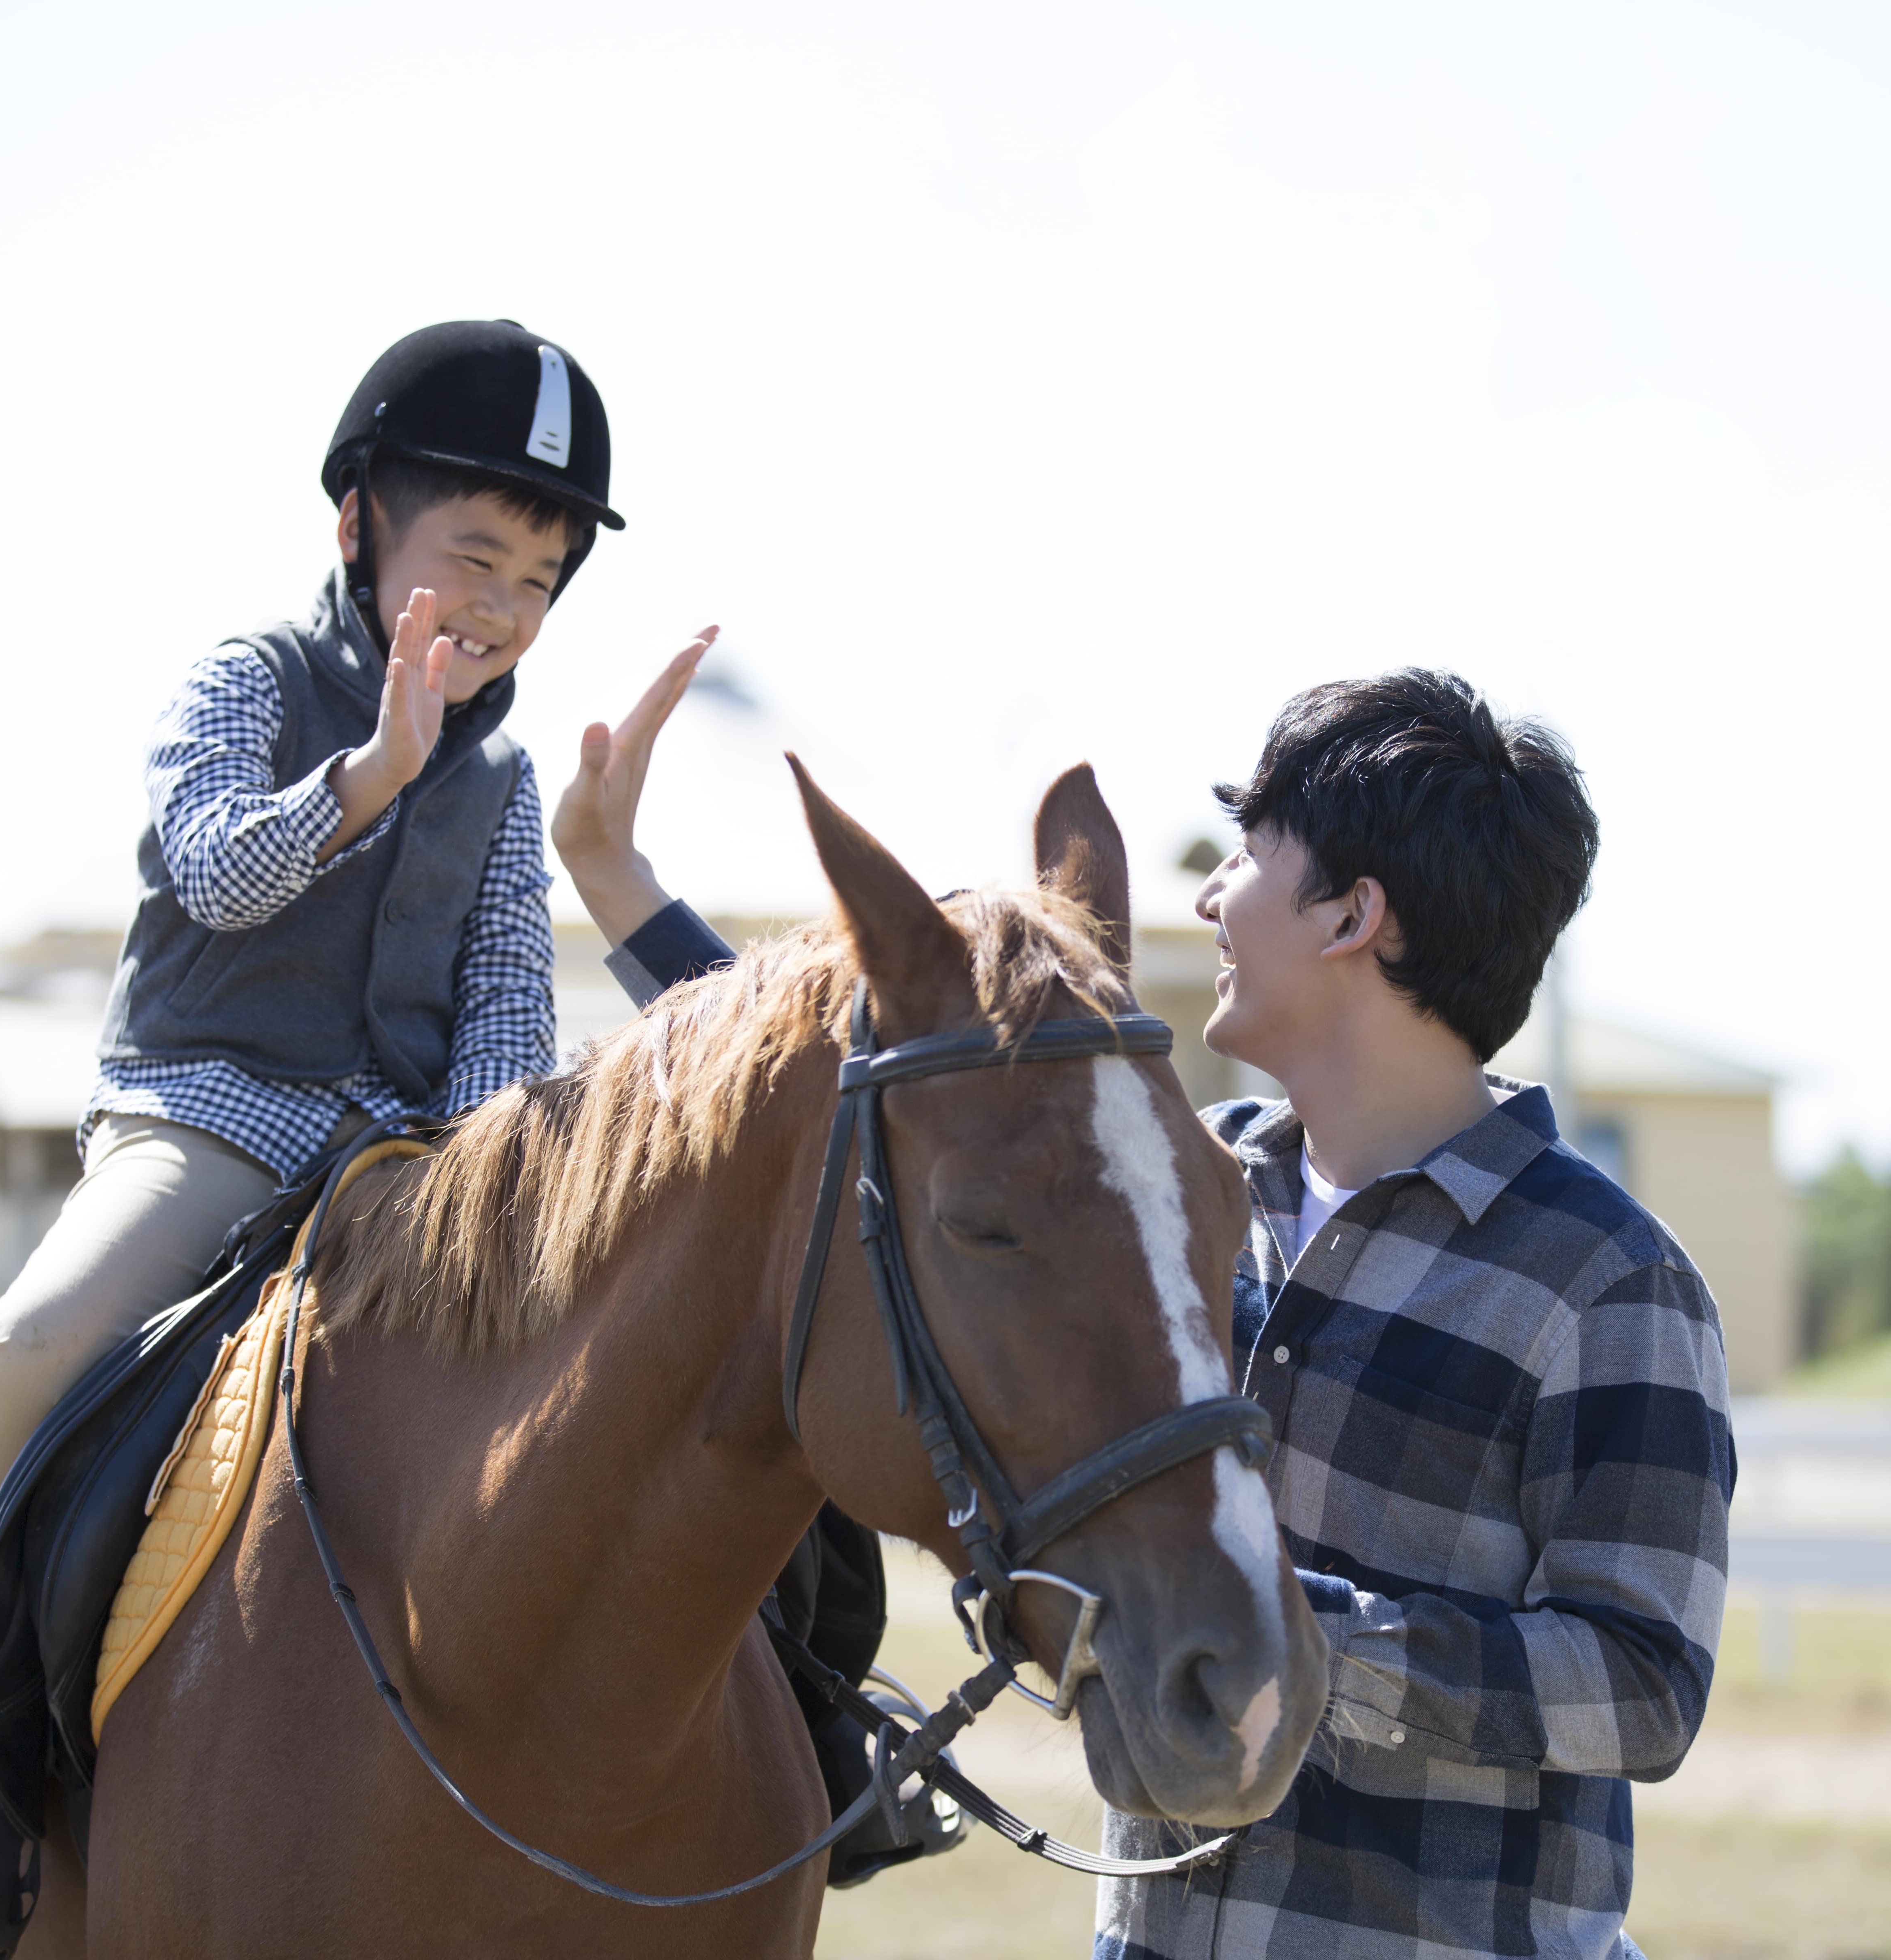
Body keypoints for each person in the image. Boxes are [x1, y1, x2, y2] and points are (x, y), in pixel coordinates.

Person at [564, 669, 1735, 1960]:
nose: (1209, 900)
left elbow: (1643, 1684)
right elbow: (896, 1113)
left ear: (1354, 916)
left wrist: (1295, 1641)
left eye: (1246, 858)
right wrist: (623, 892)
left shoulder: (1609, 1277)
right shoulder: (1187, 1192)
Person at [0, 320, 677, 1778]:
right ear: (358, 521)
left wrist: (504, 1169)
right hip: (203, 1121)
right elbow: (212, 874)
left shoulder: (508, 785)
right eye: (477, 556)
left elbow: (504, 995)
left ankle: (809, 1714)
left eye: (540, 582)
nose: (506, 608)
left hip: (395, 1163)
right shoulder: (240, 680)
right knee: (24, 1353)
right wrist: (373, 778)